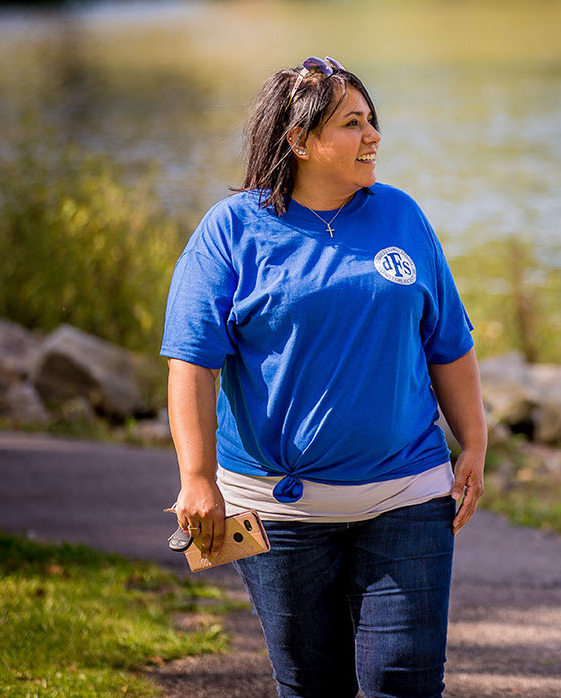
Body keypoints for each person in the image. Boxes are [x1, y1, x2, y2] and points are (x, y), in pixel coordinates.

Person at [160, 56, 487, 698]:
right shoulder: (231, 230)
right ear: (301, 141)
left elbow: (448, 342)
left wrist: (472, 441)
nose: (373, 137)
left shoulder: (402, 215)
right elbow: (192, 361)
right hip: (273, 508)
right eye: (352, 123)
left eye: (372, 122)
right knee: (312, 684)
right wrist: (196, 479)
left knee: (406, 682)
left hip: (408, 491)